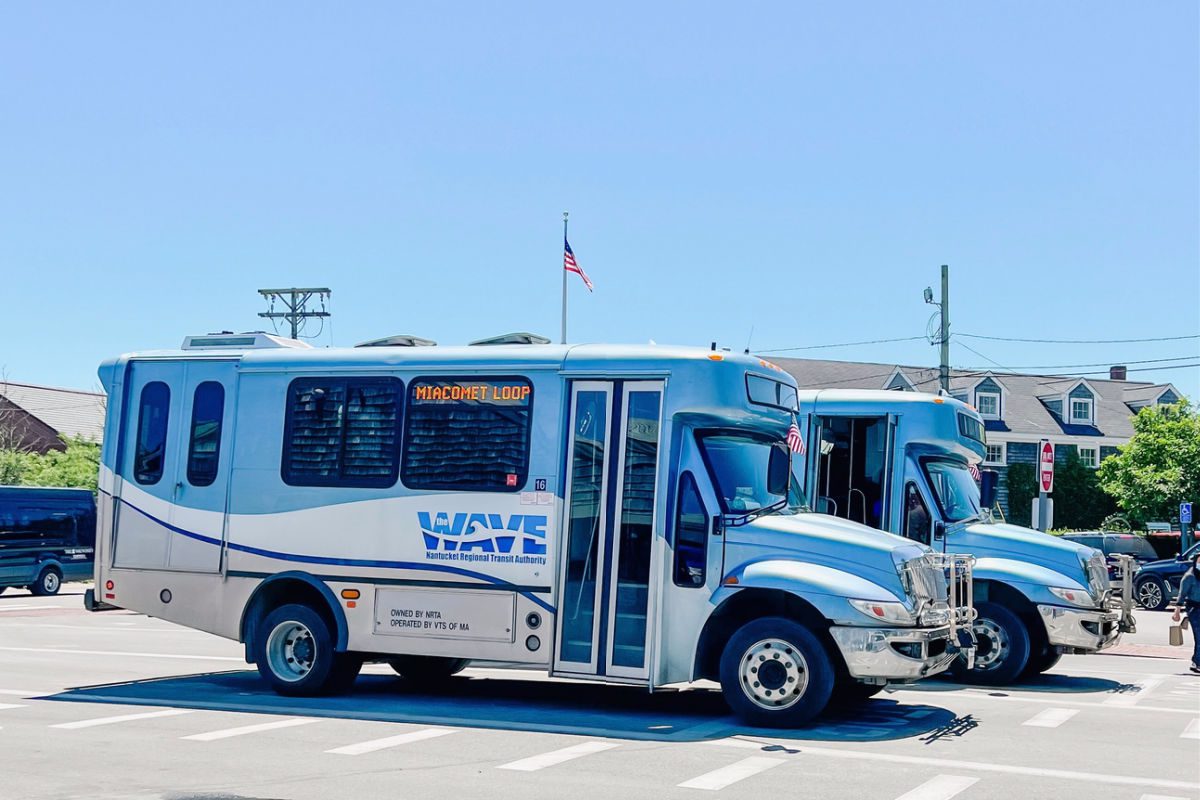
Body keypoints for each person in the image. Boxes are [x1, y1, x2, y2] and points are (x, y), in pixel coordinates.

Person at [1171, 550, 1200, 674]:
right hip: (1194, 609)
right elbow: (1182, 594)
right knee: (1199, 637)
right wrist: (1177, 611)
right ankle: (1197, 662)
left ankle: (1196, 660)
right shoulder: (1190, 576)